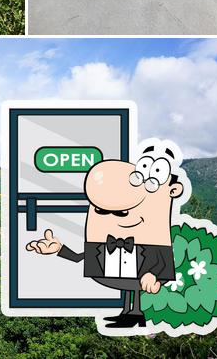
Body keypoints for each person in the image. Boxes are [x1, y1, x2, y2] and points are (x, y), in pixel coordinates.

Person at [26, 141, 185, 329]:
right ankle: (128, 313)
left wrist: (154, 276)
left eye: (122, 212)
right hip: (119, 272)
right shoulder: (104, 245)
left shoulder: (155, 243)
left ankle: (136, 313)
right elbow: (80, 258)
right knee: (128, 288)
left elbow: (163, 262)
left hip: (144, 277)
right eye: (101, 211)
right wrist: (59, 249)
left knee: (133, 286)